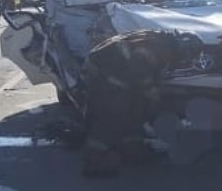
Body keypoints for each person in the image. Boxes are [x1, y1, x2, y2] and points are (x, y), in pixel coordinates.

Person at [81, 30, 203, 177]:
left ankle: (131, 149)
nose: (185, 61)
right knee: (114, 117)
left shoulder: (160, 41)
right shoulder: (159, 49)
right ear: (184, 51)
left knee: (135, 112)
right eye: (188, 57)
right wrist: (151, 93)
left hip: (116, 73)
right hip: (105, 76)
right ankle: (94, 160)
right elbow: (140, 70)